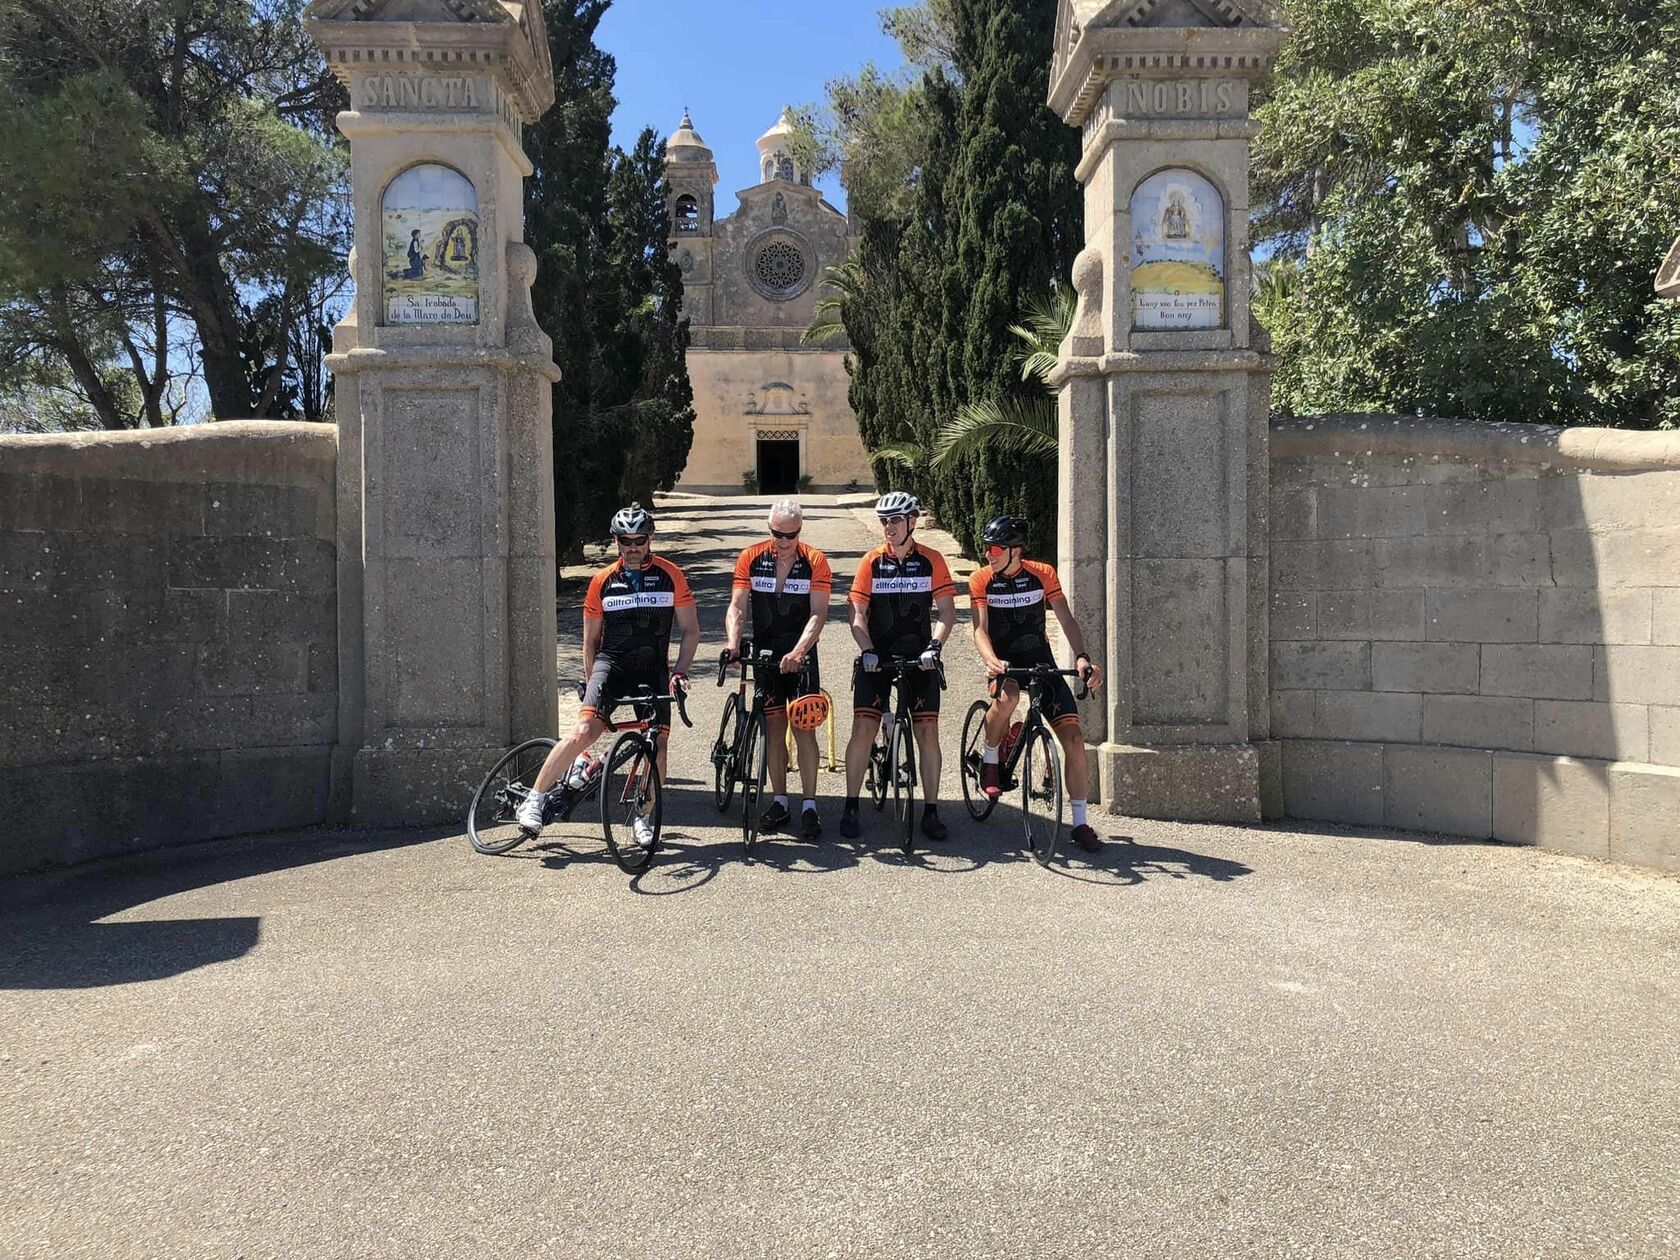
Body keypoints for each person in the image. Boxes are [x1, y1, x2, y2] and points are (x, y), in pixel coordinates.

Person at [516, 503, 700, 846]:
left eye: (639, 540)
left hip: (652, 670)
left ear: (650, 539)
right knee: (585, 730)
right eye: (625, 541)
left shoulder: (671, 575)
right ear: (616, 542)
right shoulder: (602, 581)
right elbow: (590, 641)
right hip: (610, 665)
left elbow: (691, 630)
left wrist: (680, 672)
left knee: (658, 745)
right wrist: (591, 684)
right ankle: (534, 799)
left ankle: (644, 815)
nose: (633, 548)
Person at [967, 515, 1105, 853]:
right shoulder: (981, 579)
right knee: (1009, 698)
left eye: (994, 549)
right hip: (1004, 662)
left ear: (1015, 551)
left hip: (1041, 662)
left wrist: (1082, 657)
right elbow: (980, 629)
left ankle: (1080, 823)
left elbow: (1066, 619)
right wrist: (990, 659)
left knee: (1074, 740)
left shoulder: (1042, 574)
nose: (988, 554)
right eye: (986, 548)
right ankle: (989, 759)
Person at [841, 491, 958, 841]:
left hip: (920, 658)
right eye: (884, 521)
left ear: (911, 521)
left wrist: (935, 646)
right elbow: (856, 614)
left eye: (894, 520)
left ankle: (932, 811)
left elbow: (947, 612)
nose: (888, 527)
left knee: (928, 732)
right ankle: (850, 805)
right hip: (877, 658)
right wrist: (866, 649)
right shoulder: (872, 561)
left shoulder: (932, 560)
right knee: (863, 728)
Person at [723, 500, 833, 839]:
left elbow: (818, 613)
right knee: (773, 727)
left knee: (804, 728)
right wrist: (733, 643)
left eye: (791, 535)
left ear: (800, 531)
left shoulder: (815, 561)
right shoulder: (751, 557)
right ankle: (780, 801)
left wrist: (799, 651)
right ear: (769, 529)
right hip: (766, 653)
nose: (784, 541)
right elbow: (737, 606)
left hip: (801, 655)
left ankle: (810, 806)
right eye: (777, 534)